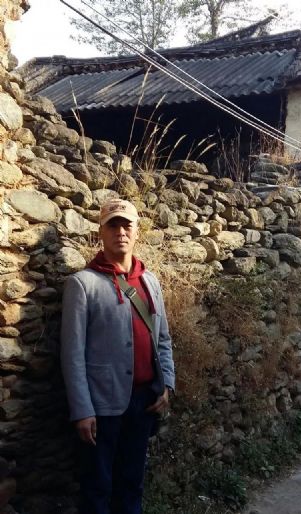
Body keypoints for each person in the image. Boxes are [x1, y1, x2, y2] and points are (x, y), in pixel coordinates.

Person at [60, 198, 175, 514]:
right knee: (97, 489)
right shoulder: (82, 284)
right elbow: (72, 354)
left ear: (137, 231)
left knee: (132, 484)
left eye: (126, 225)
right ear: (101, 232)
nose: (120, 232)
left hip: (144, 401)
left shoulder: (150, 281)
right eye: (113, 225)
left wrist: (167, 384)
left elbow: (163, 339)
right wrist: (82, 409)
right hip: (102, 406)